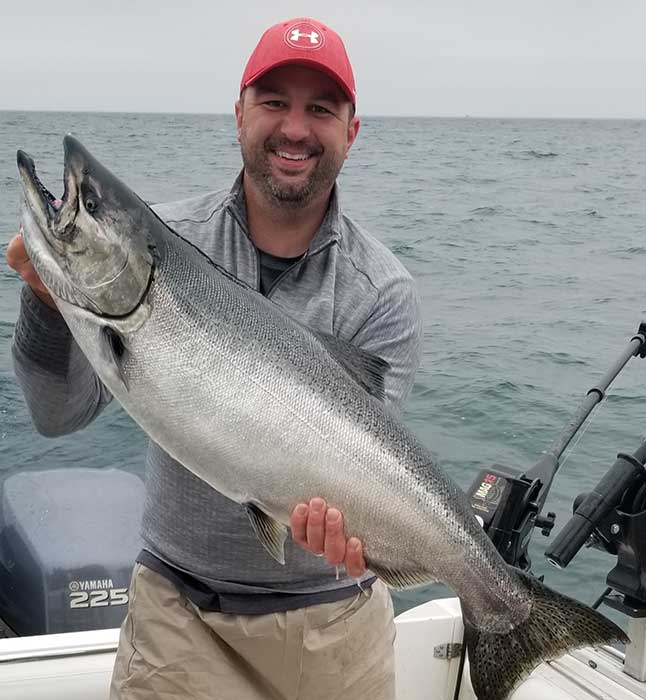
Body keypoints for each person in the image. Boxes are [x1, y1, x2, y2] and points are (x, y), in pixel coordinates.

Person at [8, 17, 422, 700]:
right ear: (238, 115)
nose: (294, 127)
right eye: (273, 102)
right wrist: (49, 300)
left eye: (320, 108)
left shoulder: (383, 291)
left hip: (337, 630)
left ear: (352, 131)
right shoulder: (167, 240)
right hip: (180, 622)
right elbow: (57, 415)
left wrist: (350, 524)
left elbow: (363, 460)